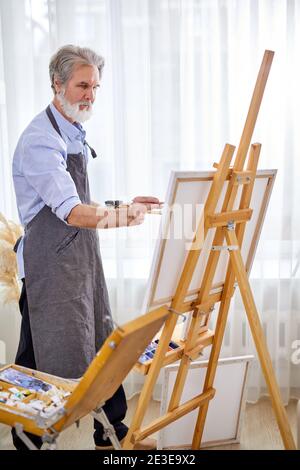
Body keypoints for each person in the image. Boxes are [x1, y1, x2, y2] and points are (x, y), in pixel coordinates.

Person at [12, 44, 158, 450]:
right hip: (49, 270)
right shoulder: (40, 141)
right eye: (81, 85)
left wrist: (125, 209)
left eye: (95, 86)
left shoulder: (71, 131)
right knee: (40, 362)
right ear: (56, 84)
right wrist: (123, 214)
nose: (90, 94)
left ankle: (111, 435)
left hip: (80, 262)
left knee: (102, 342)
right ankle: (28, 443)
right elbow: (73, 212)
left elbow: (84, 203)